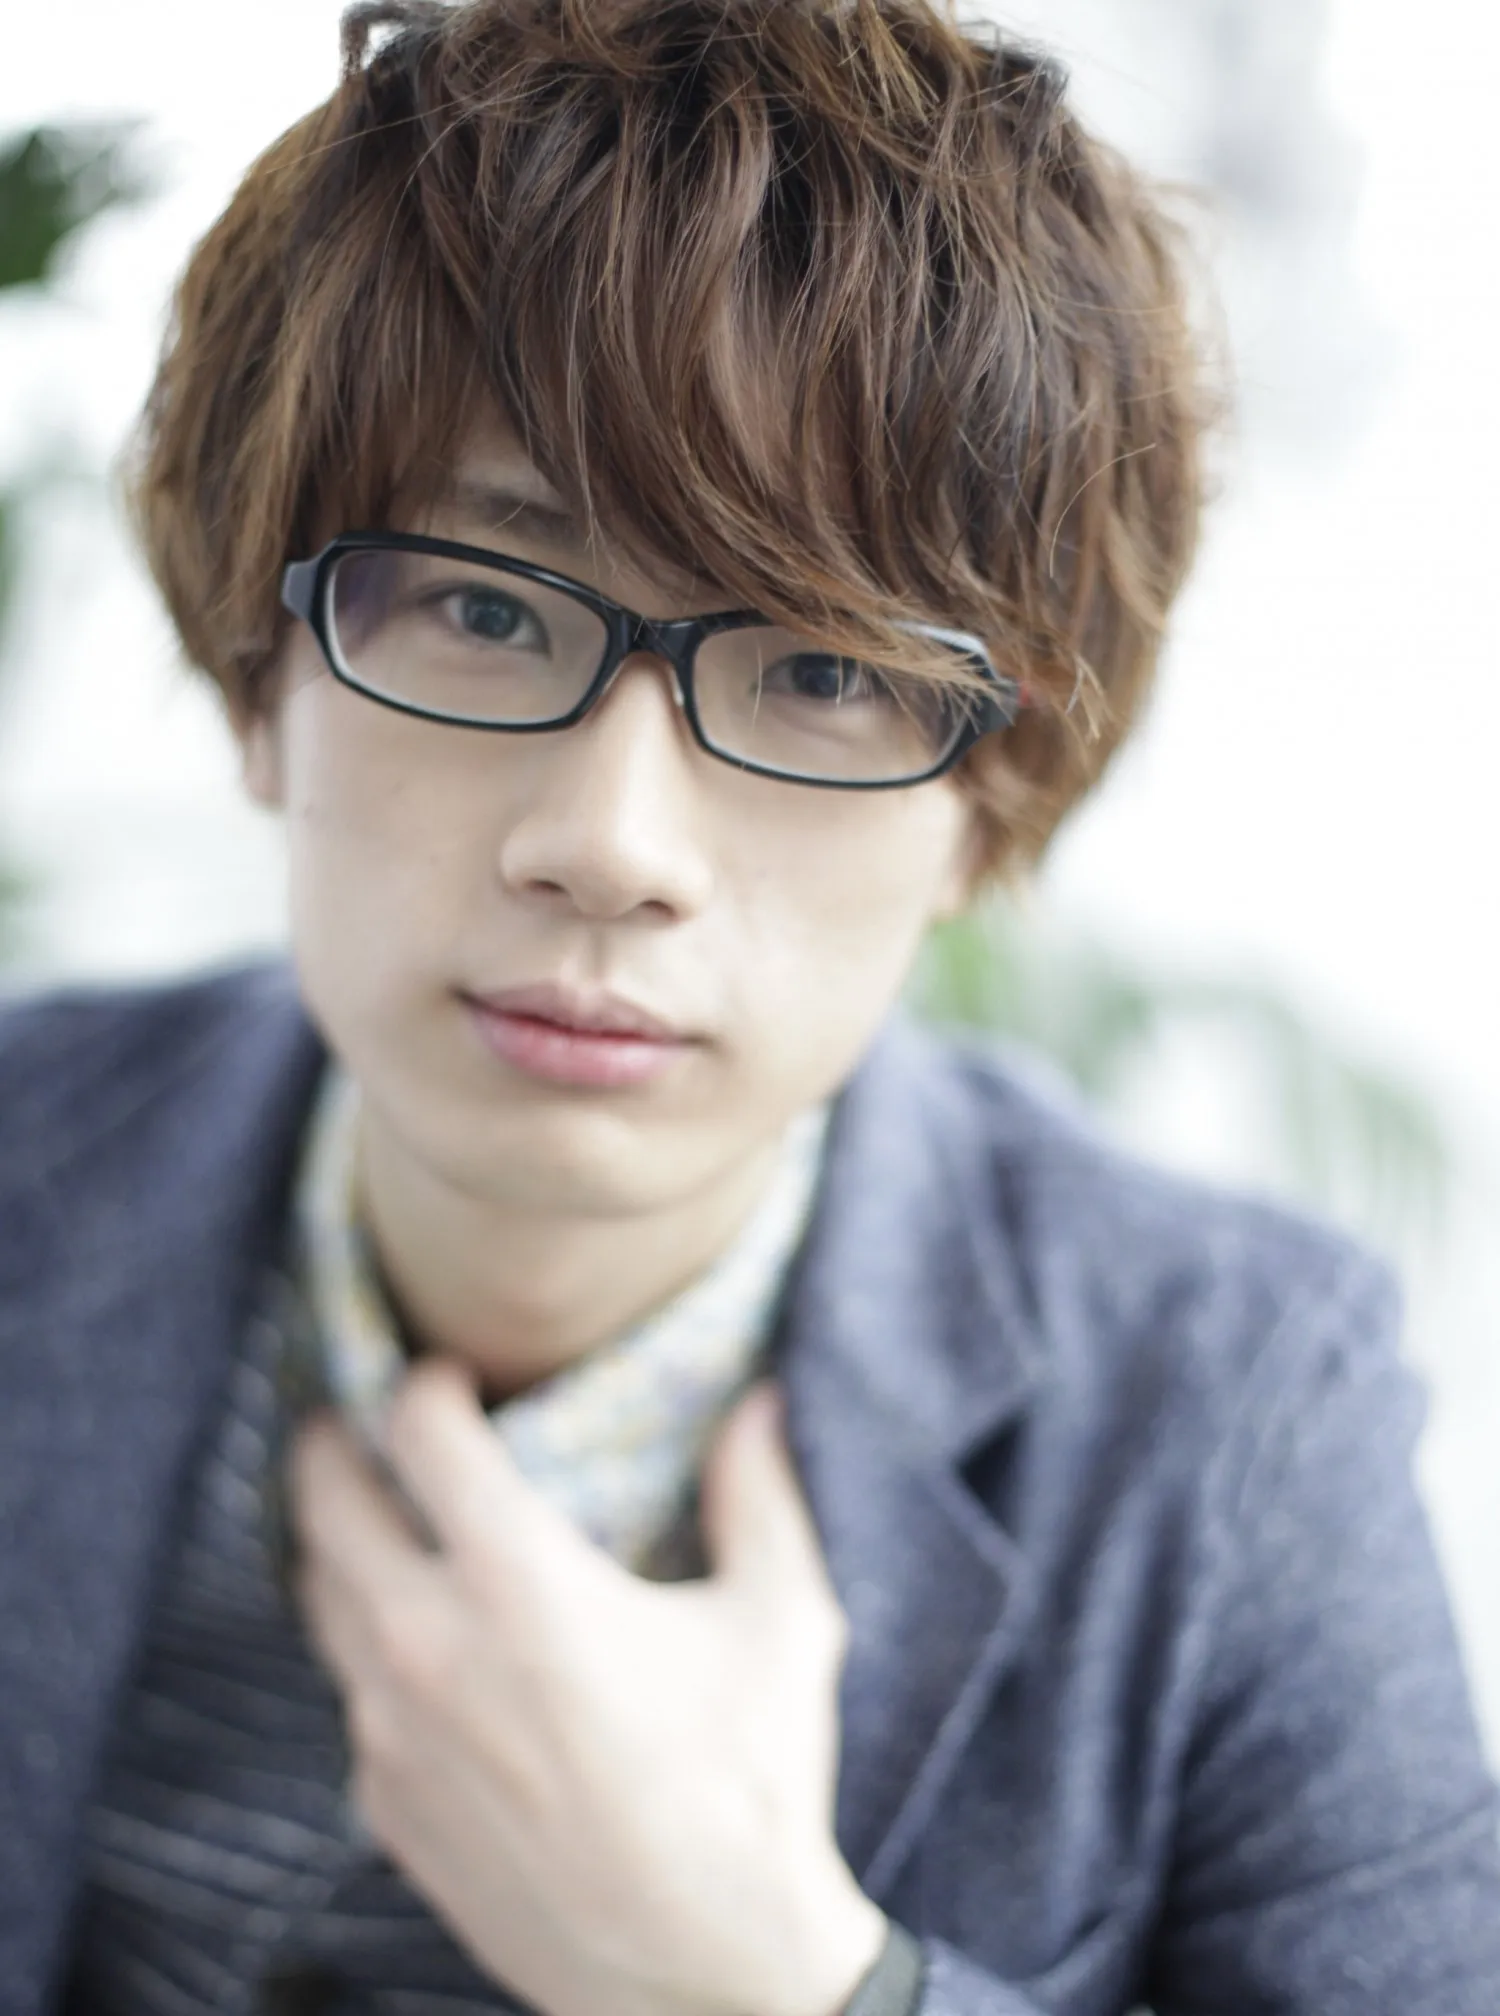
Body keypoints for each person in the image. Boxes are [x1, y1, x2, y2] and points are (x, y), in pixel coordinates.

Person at [1, 1, 1497, 2011]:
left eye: (823, 673)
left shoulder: (1232, 1415)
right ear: (262, 684)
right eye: (482, 607)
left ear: (987, 808)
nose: (611, 844)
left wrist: (782, 1982)